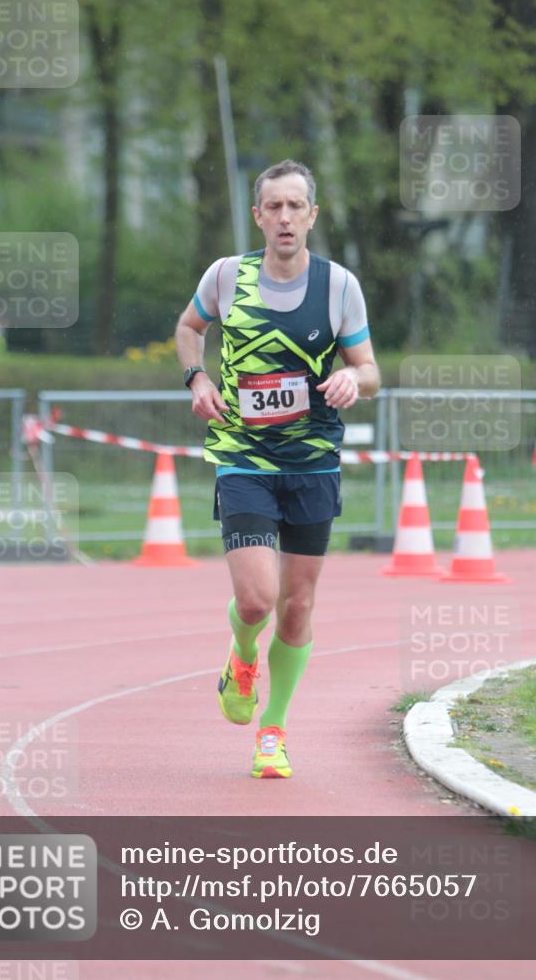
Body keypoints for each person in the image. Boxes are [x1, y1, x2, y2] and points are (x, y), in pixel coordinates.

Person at [175, 159, 380, 778]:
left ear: (312, 216)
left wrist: (351, 376)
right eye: (275, 207)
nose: (286, 217)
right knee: (258, 599)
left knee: (297, 605)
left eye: (297, 206)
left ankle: (273, 730)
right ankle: (242, 655)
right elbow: (189, 328)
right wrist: (198, 377)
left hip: (313, 462)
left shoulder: (338, 286)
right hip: (243, 455)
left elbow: (371, 371)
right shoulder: (225, 276)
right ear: (259, 216)